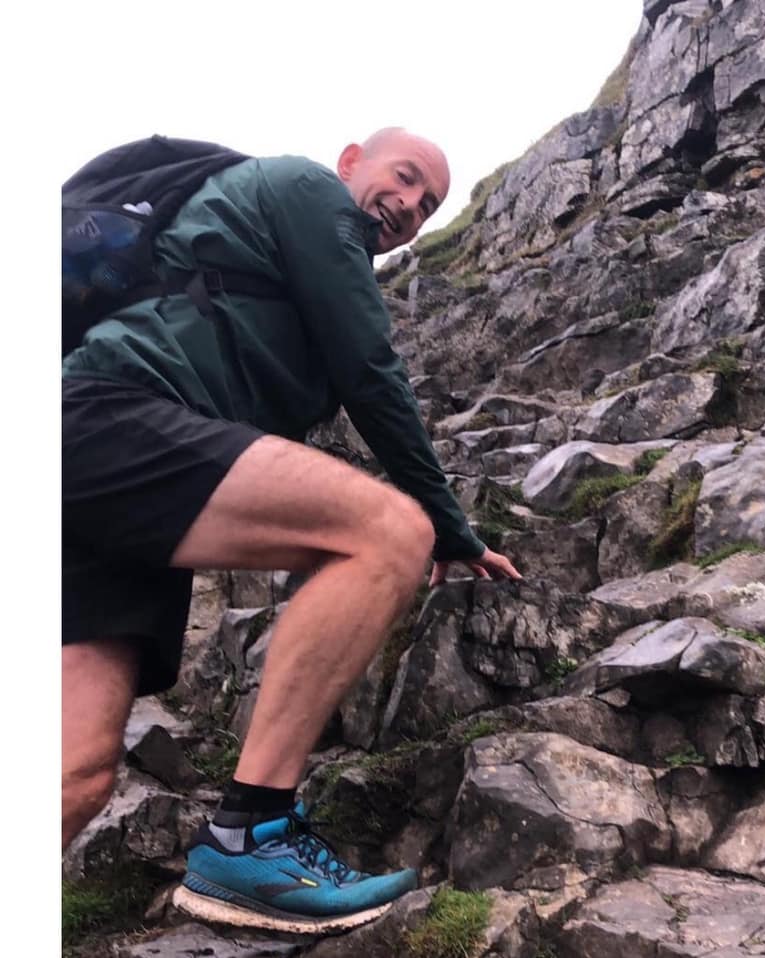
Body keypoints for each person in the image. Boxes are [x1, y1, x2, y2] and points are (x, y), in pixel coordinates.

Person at [62, 127, 523, 934]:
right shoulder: (306, 191)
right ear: (351, 162)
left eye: (429, 205)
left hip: (126, 480)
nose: (411, 206)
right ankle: (249, 836)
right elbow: (371, 371)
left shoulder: (289, 275)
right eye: (406, 178)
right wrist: (451, 530)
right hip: (113, 418)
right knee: (387, 532)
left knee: (77, 772)